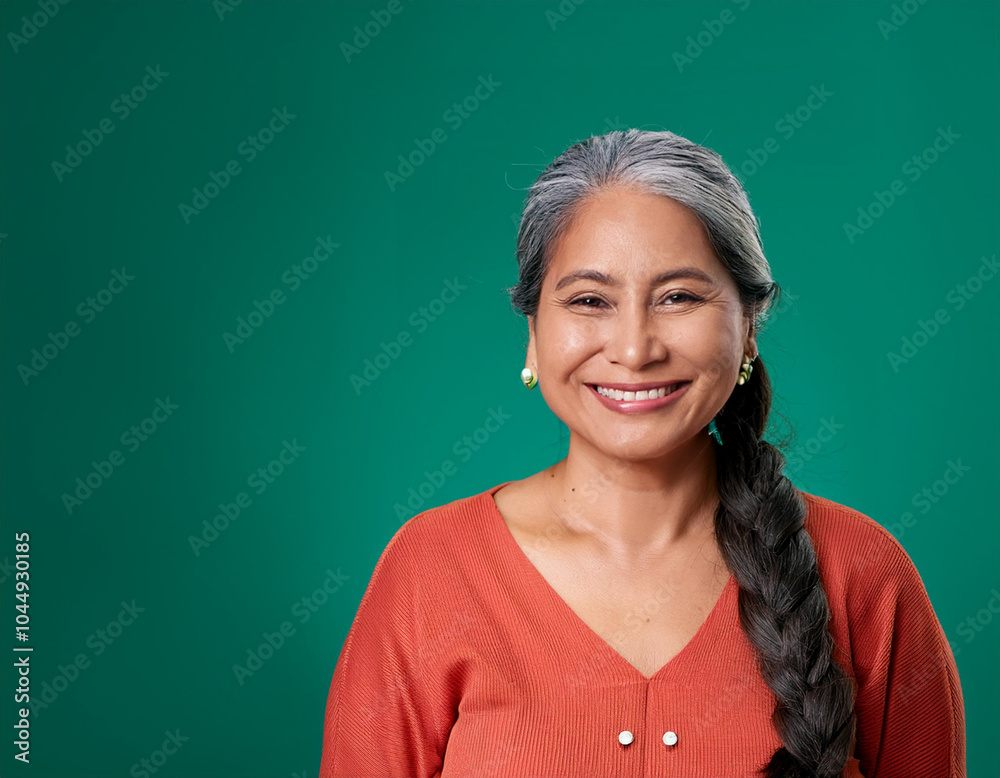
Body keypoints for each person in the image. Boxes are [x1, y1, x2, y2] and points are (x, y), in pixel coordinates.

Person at [318, 129, 966, 777]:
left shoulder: (864, 575)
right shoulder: (430, 573)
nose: (633, 349)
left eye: (679, 297)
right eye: (589, 301)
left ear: (748, 330)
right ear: (533, 335)